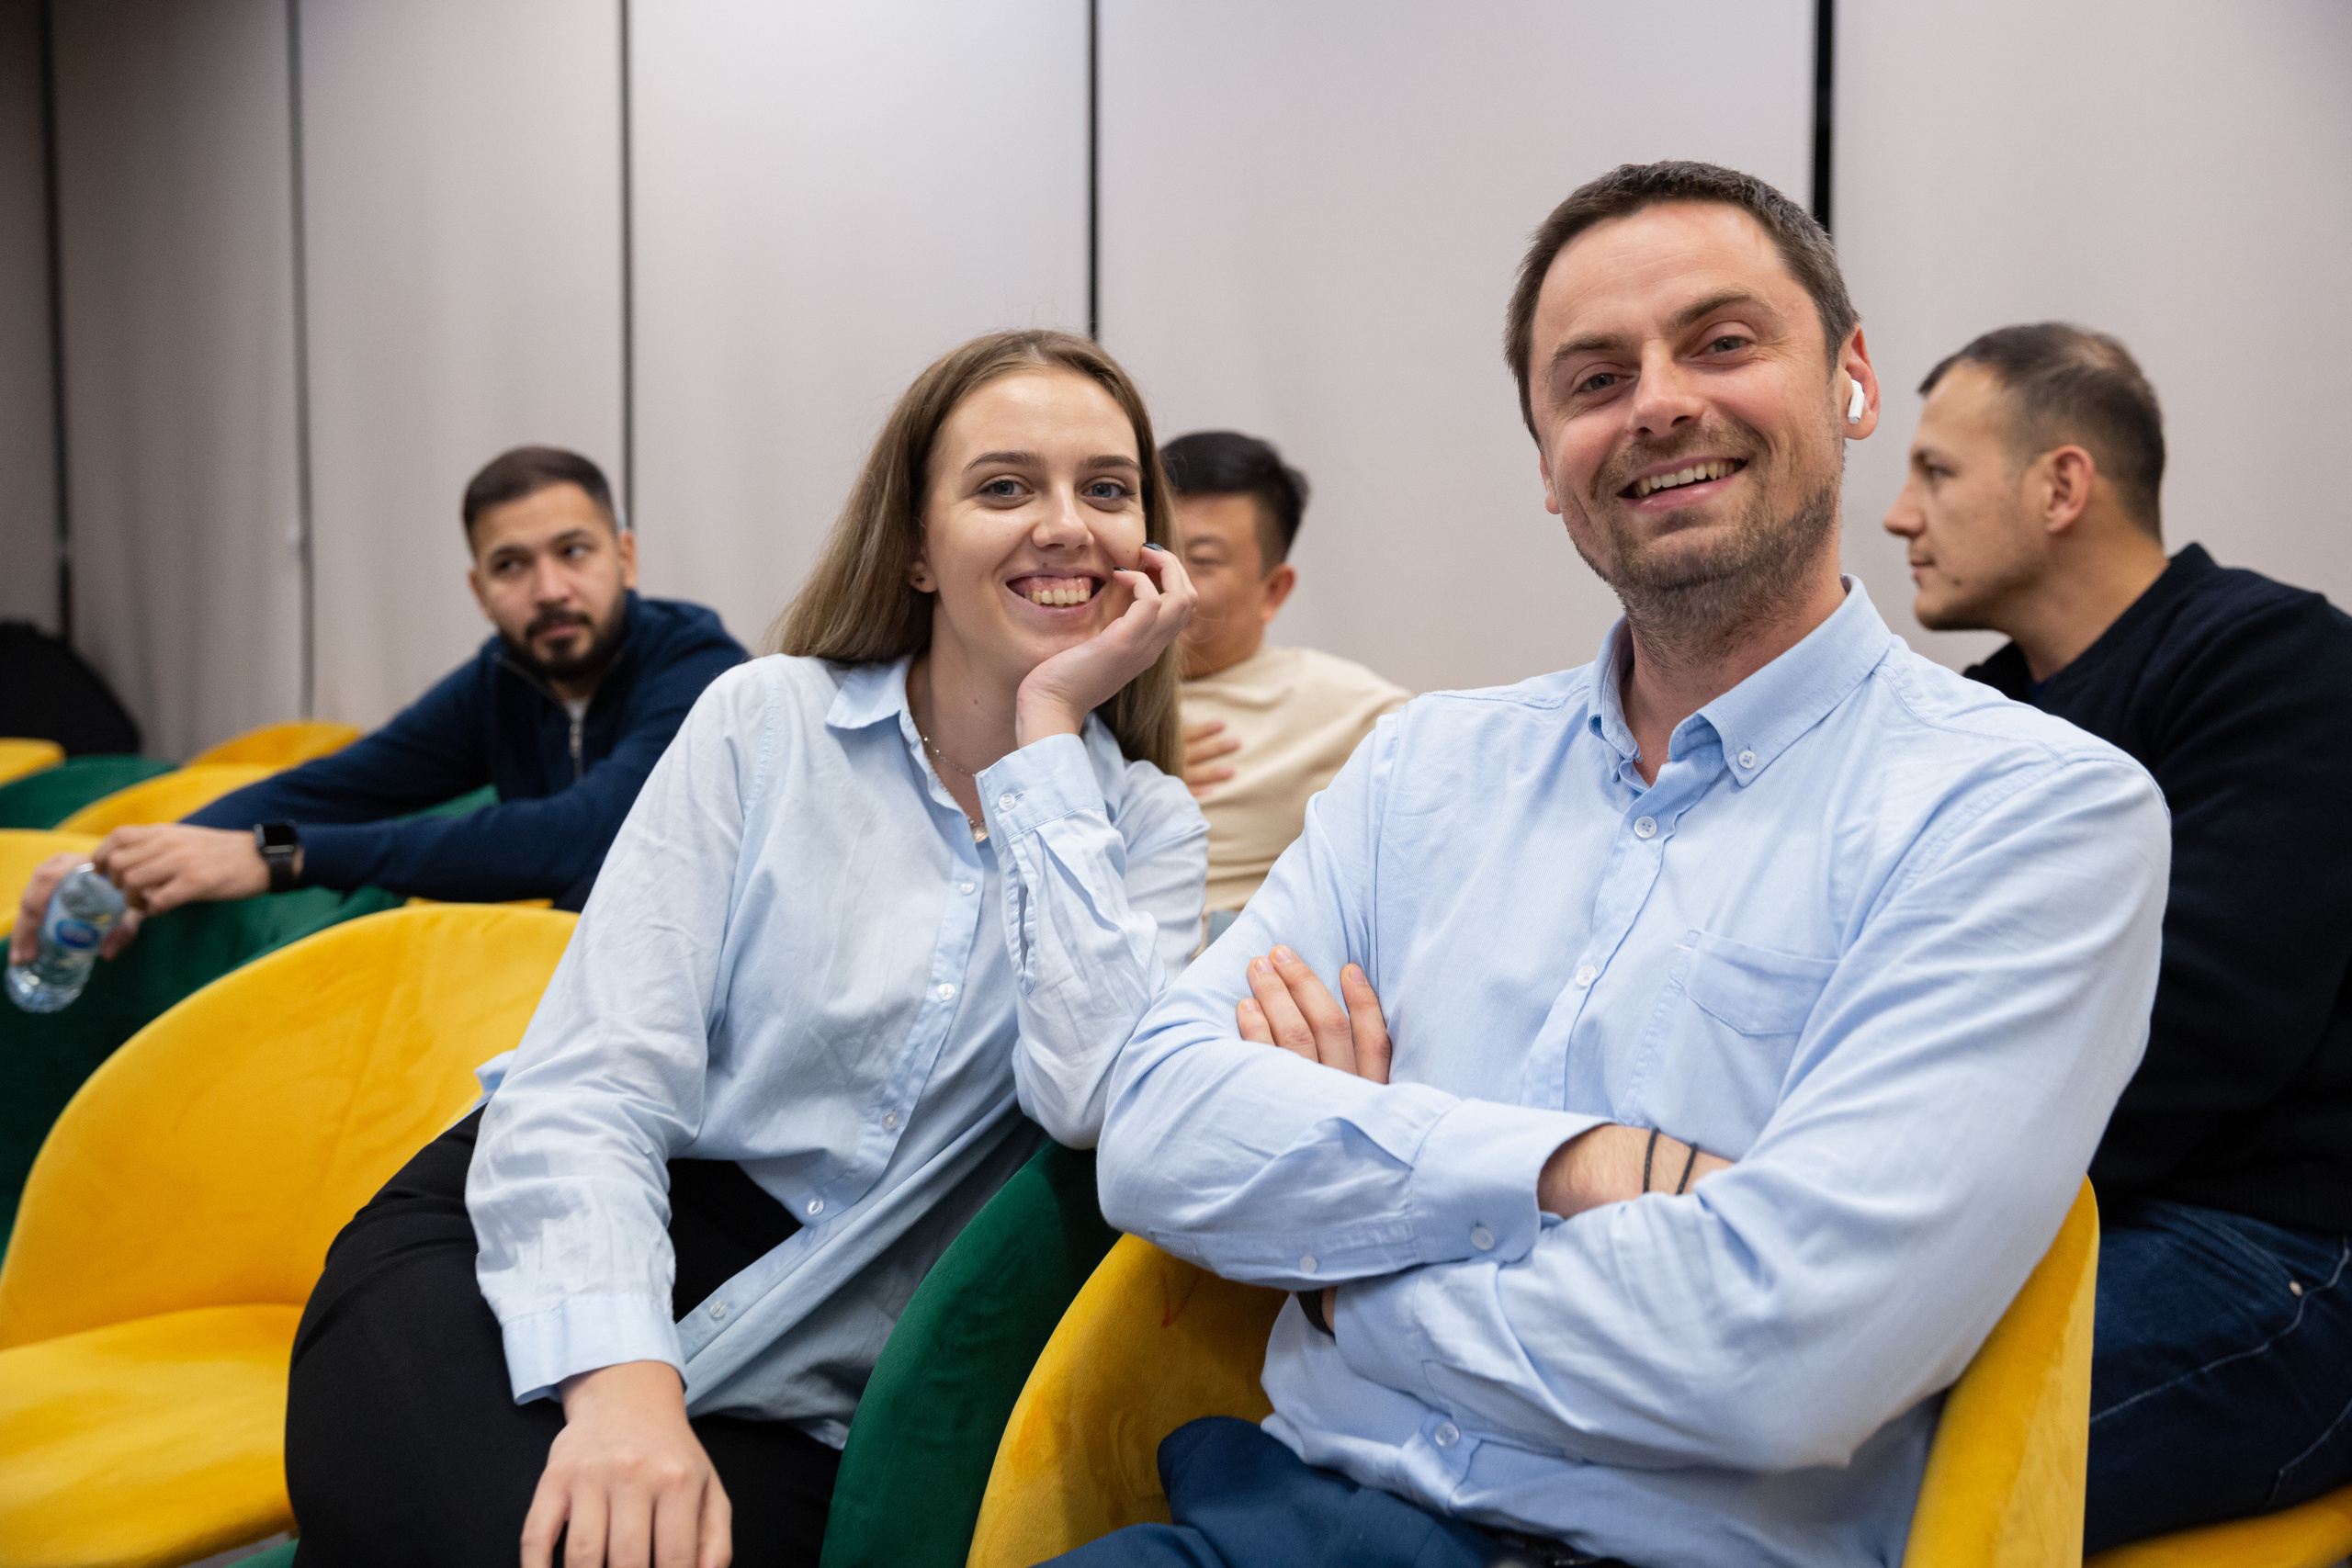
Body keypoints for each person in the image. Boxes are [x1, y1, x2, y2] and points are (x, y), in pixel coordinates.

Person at [1059, 162, 2171, 1568]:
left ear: (1852, 379)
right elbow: (1154, 1120)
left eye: (1721, 342)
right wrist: (1575, 1164)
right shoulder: (1422, 770)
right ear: (1546, 463)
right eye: (1591, 378)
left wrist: (1342, 1260)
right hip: (1272, 1519)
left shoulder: (2029, 812)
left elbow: (1780, 1355)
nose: (1656, 404)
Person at [281, 330, 1206, 1568]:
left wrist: (1048, 739)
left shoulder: (1144, 827)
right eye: (1003, 486)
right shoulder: (767, 719)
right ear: (917, 549)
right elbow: (595, 1077)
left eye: (1106, 489)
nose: (1064, 525)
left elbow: (1092, 1097)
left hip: (808, 1353)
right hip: (529, 1232)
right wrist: (622, 1386)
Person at [1883, 322, 2352, 1551]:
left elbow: (2204, 1021)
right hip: (2043, 1216)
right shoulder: (1974, 719)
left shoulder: (2273, 659)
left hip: (2274, 1248)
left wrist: (1905, 1180)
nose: (1896, 514)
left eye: (1936, 470)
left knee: (1854, 1452)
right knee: (1724, 1395)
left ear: (2062, 486)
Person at [7, 446, 746, 964]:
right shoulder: (502, 678)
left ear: (626, 557)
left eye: (573, 551)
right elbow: (335, 786)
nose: (549, 588)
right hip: (599, 987)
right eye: (512, 565)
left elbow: (576, 839)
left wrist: (280, 855)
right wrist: (140, 861)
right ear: (479, 591)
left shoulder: (699, 670)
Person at [1167, 432, 1408, 920]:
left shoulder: (1355, 713)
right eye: (1151, 549)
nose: (1163, 579)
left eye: (1200, 561)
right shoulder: (1062, 690)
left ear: (1273, 591)